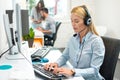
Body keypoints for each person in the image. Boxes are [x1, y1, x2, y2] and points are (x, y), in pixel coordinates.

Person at [44, 5, 105, 80]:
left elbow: (94, 70)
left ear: (87, 21)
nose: (73, 24)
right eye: (72, 21)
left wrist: (72, 71)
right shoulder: (73, 39)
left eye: (76, 21)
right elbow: (64, 56)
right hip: (76, 77)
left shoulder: (96, 42)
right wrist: (56, 64)